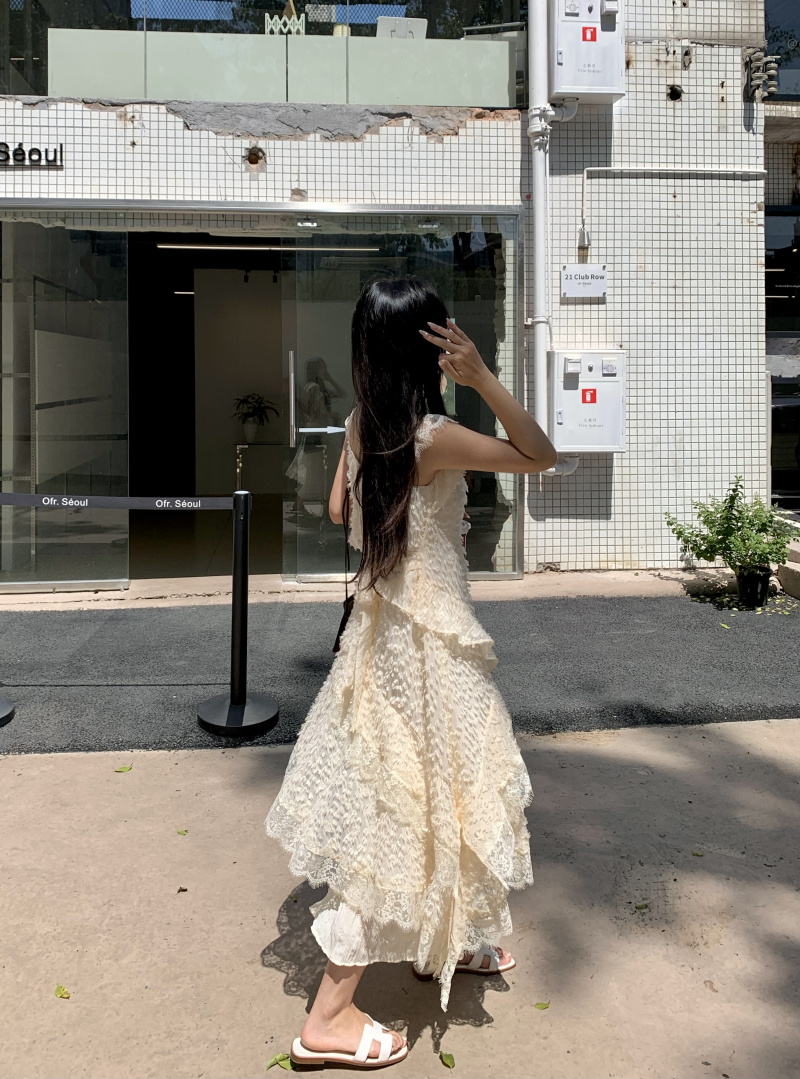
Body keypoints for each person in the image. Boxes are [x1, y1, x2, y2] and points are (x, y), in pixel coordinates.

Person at [265, 276, 557, 1069]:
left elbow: (335, 512)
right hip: (429, 654)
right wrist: (484, 378)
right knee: (407, 816)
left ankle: (445, 935)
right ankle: (327, 1018)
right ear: (430, 345)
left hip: (379, 644)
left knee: (420, 802)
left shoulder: (365, 424)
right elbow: (542, 452)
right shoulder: (434, 435)